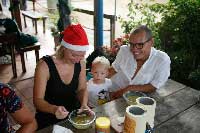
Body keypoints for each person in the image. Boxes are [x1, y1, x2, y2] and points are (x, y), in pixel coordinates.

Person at [33, 24, 90, 130]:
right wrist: (54, 109)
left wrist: (84, 104)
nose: (78, 59)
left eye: (82, 55)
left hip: (73, 115)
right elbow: (37, 100)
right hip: (49, 117)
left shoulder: (81, 63)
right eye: (74, 55)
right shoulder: (44, 66)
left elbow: (82, 89)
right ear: (64, 48)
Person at [109, 25, 171, 99]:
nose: (134, 49)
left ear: (151, 42)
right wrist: (95, 81)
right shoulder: (124, 50)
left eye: (140, 44)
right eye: (131, 44)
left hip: (134, 100)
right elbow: (113, 70)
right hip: (110, 92)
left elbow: (154, 86)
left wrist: (128, 89)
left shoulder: (162, 60)